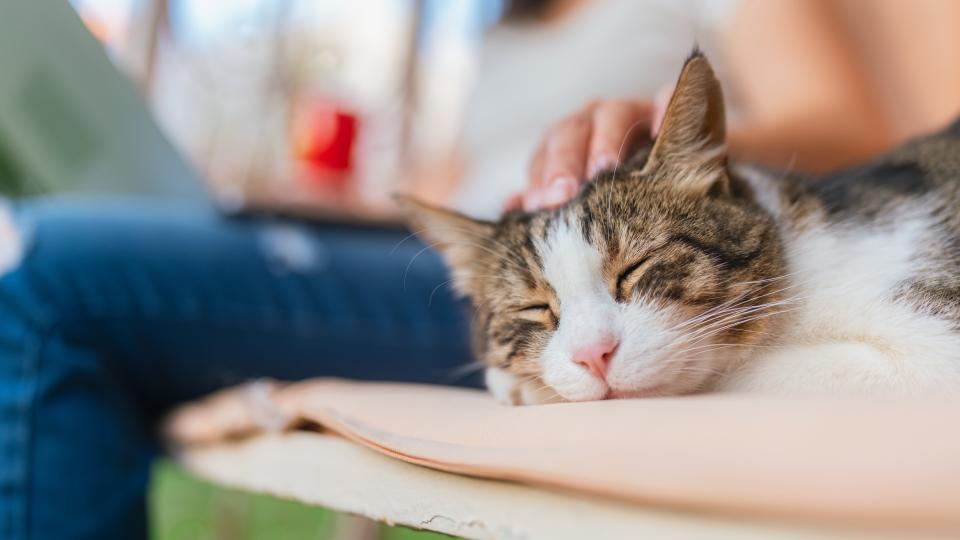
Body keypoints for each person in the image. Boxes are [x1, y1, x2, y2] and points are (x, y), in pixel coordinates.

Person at [1, 1, 958, 538]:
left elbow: (849, 128)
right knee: (52, 264)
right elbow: (457, 188)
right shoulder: (497, 30)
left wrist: (656, 138)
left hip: (628, 236)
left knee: (44, 284)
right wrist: (293, 213)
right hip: (480, 269)